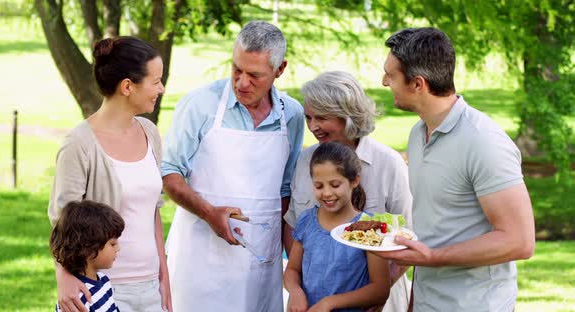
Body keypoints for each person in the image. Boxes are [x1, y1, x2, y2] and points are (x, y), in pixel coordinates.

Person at [374, 27, 535, 311]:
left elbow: (519, 240)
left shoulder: (483, 142)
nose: (384, 81)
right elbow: (433, 230)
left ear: (418, 84)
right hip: (427, 301)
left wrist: (433, 257)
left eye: (391, 75)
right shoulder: (417, 134)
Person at [161, 20, 304, 311]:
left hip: (260, 264)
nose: (241, 82)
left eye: (255, 75)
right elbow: (168, 173)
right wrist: (210, 213)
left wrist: (296, 269)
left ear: (280, 69)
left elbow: (286, 191)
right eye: (236, 69)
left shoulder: (292, 115)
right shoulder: (199, 105)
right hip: (200, 261)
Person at [48, 36, 172, 312]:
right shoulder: (79, 145)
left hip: (150, 287)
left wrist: (164, 277)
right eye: (155, 81)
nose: (161, 88)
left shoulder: (150, 133)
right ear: (127, 86)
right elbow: (62, 221)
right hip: (102, 290)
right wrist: (63, 276)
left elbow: (153, 210)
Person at [283, 71, 413, 311]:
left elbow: (408, 236)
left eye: (321, 118)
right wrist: (300, 287)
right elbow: (293, 225)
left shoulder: (388, 163)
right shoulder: (305, 160)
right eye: (309, 118)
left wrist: (377, 294)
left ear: (348, 116)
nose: (313, 127)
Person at [283, 142, 390, 312]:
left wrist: (330, 303)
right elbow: (292, 270)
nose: (326, 193)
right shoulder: (307, 222)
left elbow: (380, 289)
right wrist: (296, 292)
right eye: (319, 186)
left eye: (335, 185)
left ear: (354, 180)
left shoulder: (368, 229)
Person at [50, 200, 125, 312]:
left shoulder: (104, 281)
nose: (118, 248)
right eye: (112, 244)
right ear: (88, 247)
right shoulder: (77, 298)